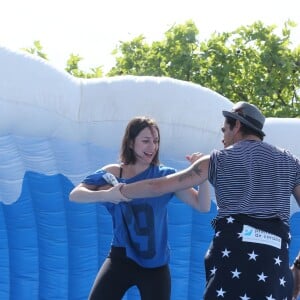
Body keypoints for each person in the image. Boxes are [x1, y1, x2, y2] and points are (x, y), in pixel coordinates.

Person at [101, 102, 300, 299]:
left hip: (232, 262)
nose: (223, 138)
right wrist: (298, 267)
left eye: (224, 130)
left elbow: (157, 186)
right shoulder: (292, 162)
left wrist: (120, 190)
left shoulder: (217, 159)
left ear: (237, 126)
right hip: (275, 268)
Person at [69, 116, 211, 300]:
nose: (152, 147)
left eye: (156, 141)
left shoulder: (166, 177)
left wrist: (201, 175)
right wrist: (106, 195)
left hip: (156, 263)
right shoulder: (114, 172)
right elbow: (75, 195)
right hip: (121, 257)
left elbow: (203, 205)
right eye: (145, 141)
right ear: (130, 142)